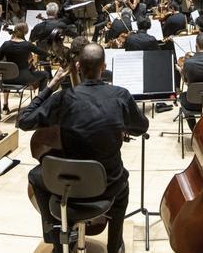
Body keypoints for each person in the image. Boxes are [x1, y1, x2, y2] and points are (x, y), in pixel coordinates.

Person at [18, 43, 149, 253]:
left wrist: (51, 85)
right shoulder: (120, 96)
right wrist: (121, 126)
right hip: (108, 183)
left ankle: (56, 241)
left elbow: (24, 121)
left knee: (36, 177)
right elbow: (141, 127)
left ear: (78, 67)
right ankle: (115, 246)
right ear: (103, 66)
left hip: (66, 185)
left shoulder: (62, 98)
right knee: (123, 185)